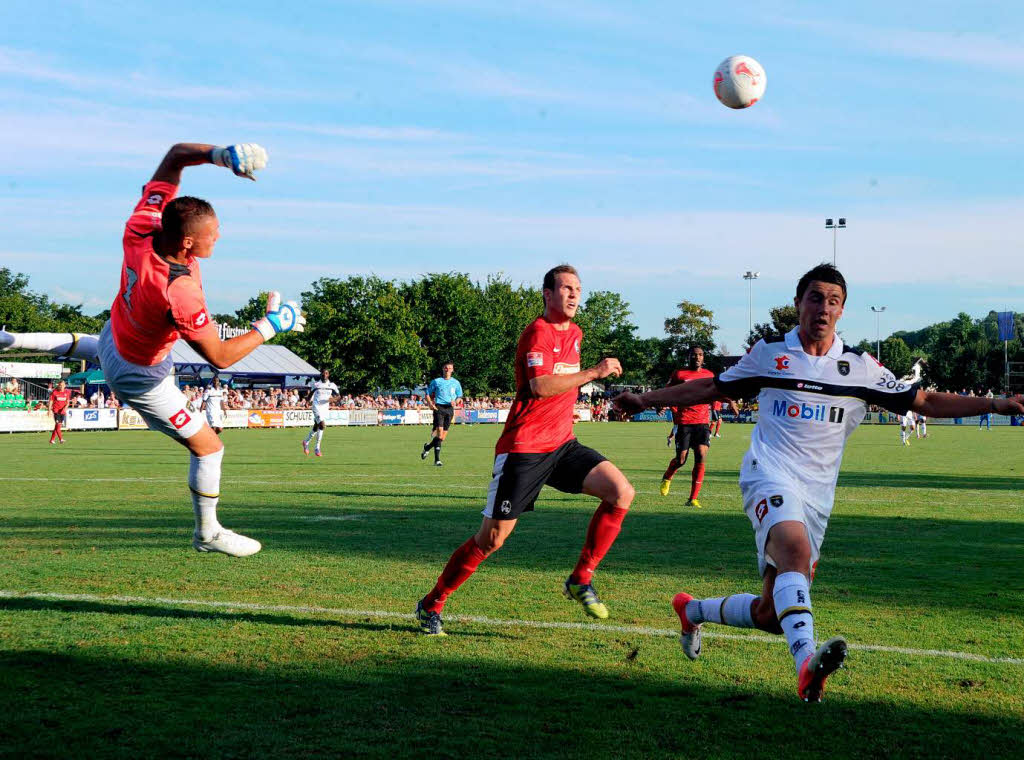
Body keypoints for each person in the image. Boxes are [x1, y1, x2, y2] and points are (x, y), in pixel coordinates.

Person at [614, 263, 1023, 702]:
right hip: (767, 474)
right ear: (797, 304)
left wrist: (997, 403)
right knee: (794, 551)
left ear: (842, 311)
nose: (823, 309)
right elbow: (711, 390)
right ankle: (807, 663)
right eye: (815, 298)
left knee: (772, 613)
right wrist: (644, 398)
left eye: (833, 301)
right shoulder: (770, 355)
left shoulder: (859, 367)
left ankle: (692, 609)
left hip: (817, 496)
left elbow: (921, 399)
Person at [0, 142, 305, 557]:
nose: (219, 238)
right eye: (212, 235)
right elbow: (220, 358)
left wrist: (221, 155)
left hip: (114, 337)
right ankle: (207, 533)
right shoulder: (178, 292)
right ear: (187, 246)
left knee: (88, 347)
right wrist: (271, 326)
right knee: (209, 447)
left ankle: (9, 339)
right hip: (139, 376)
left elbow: (177, 154)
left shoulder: (142, 226)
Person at [414, 265, 634, 635]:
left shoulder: (576, 333)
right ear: (547, 294)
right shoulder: (537, 332)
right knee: (492, 539)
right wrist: (594, 373)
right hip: (524, 449)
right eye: (566, 288)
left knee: (621, 492)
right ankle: (432, 603)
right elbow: (539, 386)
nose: (574, 295)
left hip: (563, 444)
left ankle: (581, 578)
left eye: (578, 289)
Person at [658, 346, 728, 507]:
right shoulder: (679, 374)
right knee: (681, 459)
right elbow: (667, 392)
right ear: (688, 357)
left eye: (700, 355)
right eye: (694, 355)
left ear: (704, 358)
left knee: (701, 455)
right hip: (684, 422)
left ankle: (693, 498)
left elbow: (716, 392)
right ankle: (668, 476)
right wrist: (661, 404)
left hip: (702, 422)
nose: (697, 357)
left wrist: (725, 403)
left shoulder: (709, 375)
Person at [421, 360, 463, 466]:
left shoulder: (456, 382)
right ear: (443, 369)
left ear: (452, 370)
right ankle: (437, 460)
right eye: (446, 367)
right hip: (439, 408)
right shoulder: (436, 381)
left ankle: (427, 447)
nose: (448, 369)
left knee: (442, 438)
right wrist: (430, 404)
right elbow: (427, 393)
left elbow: (459, 396)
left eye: (450, 368)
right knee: (439, 432)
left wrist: (456, 401)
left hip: (450, 409)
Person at [303, 369, 339, 456]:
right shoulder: (316, 384)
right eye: (323, 373)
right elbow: (310, 394)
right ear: (321, 375)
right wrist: (307, 402)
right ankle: (317, 448)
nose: (324, 375)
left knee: (316, 427)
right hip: (316, 407)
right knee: (322, 425)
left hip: (324, 408)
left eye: (326, 373)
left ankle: (306, 441)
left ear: (328, 375)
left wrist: (333, 399)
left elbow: (338, 396)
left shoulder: (332, 385)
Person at [48, 379, 71, 444]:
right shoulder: (54, 392)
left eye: (62, 385)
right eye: (60, 385)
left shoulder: (67, 393)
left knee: (57, 426)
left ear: (65, 386)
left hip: (62, 412)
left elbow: (67, 403)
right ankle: (61, 439)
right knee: (58, 425)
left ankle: (52, 440)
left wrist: (65, 408)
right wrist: (49, 410)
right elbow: (51, 401)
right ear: (58, 385)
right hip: (56, 411)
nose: (61, 386)